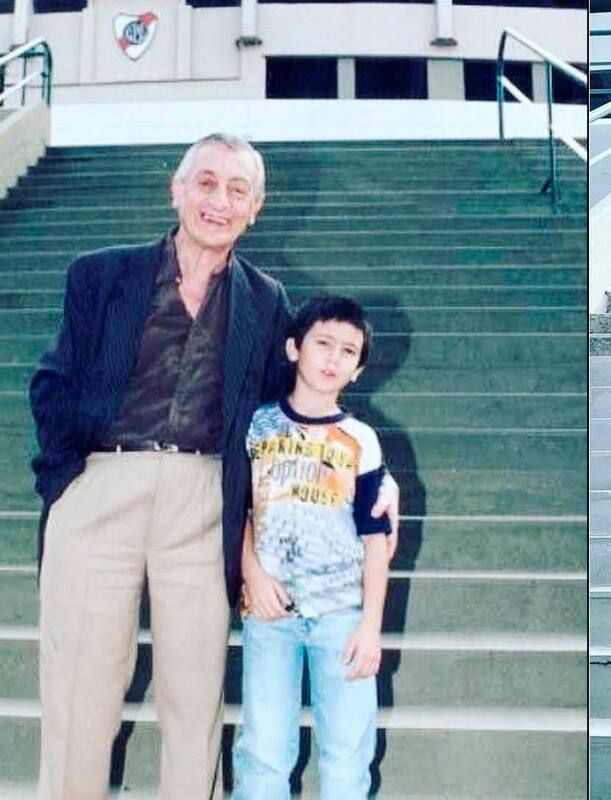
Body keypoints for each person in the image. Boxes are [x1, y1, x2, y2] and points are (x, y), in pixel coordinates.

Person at [29, 133, 398, 800]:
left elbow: (289, 406)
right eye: (205, 182)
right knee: (79, 693)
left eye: (236, 190)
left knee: (195, 700)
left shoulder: (267, 301)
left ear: (255, 208)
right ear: (176, 190)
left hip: (204, 502)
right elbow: (52, 380)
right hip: (99, 490)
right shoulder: (100, 275)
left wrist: (363, 467)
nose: (218, 201)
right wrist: (66, 480)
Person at [233, 295, 389, 799]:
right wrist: (252, 574)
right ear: (294, 348)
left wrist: (371, 626)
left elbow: (375, 538)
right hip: (269, 613)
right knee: (263, 749)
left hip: (342, 616)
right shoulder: (255, 426)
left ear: (359, 368)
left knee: (346, 754)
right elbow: (236, 510)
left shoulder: (361, 440)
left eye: (348, 351)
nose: (333, 358)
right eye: (323, 343)